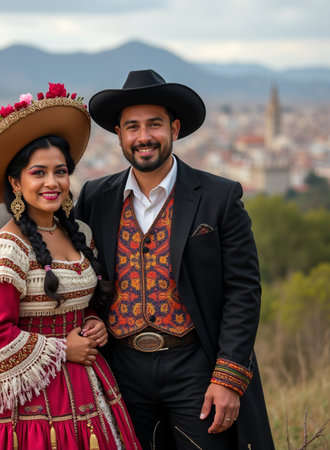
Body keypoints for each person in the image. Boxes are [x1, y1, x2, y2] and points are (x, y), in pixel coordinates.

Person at [75, 69, 275, 449]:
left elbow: (244, 290)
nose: (143, 136)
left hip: (196, 367)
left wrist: (228, 378)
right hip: (121, 368)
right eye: (132, 126)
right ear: (118, 133)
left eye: (155, 124)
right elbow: (81, 273)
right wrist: (89, 320)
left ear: (175, 129)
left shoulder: (219, 197)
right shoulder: (95, 197)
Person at [0, 83, 141, 449]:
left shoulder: (80, 234)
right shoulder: (4, 250)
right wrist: (65, 350)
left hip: (89, 386)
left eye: (60, 171)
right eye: (38, 173)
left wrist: (93, 323)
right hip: (24, 407)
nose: (52, 182)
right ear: (15, 182)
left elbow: (84, 301)